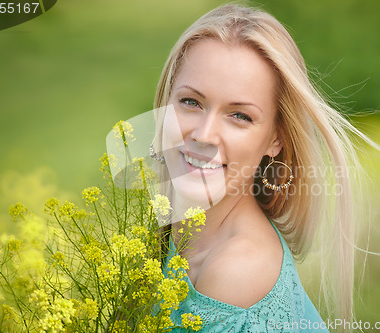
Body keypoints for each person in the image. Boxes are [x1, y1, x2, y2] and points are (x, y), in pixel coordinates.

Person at [151, 4, 361, 332]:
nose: (204, 135)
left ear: (275, 139)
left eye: (240, 116)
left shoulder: (236, 271)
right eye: (191, 102)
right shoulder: (169, 224)